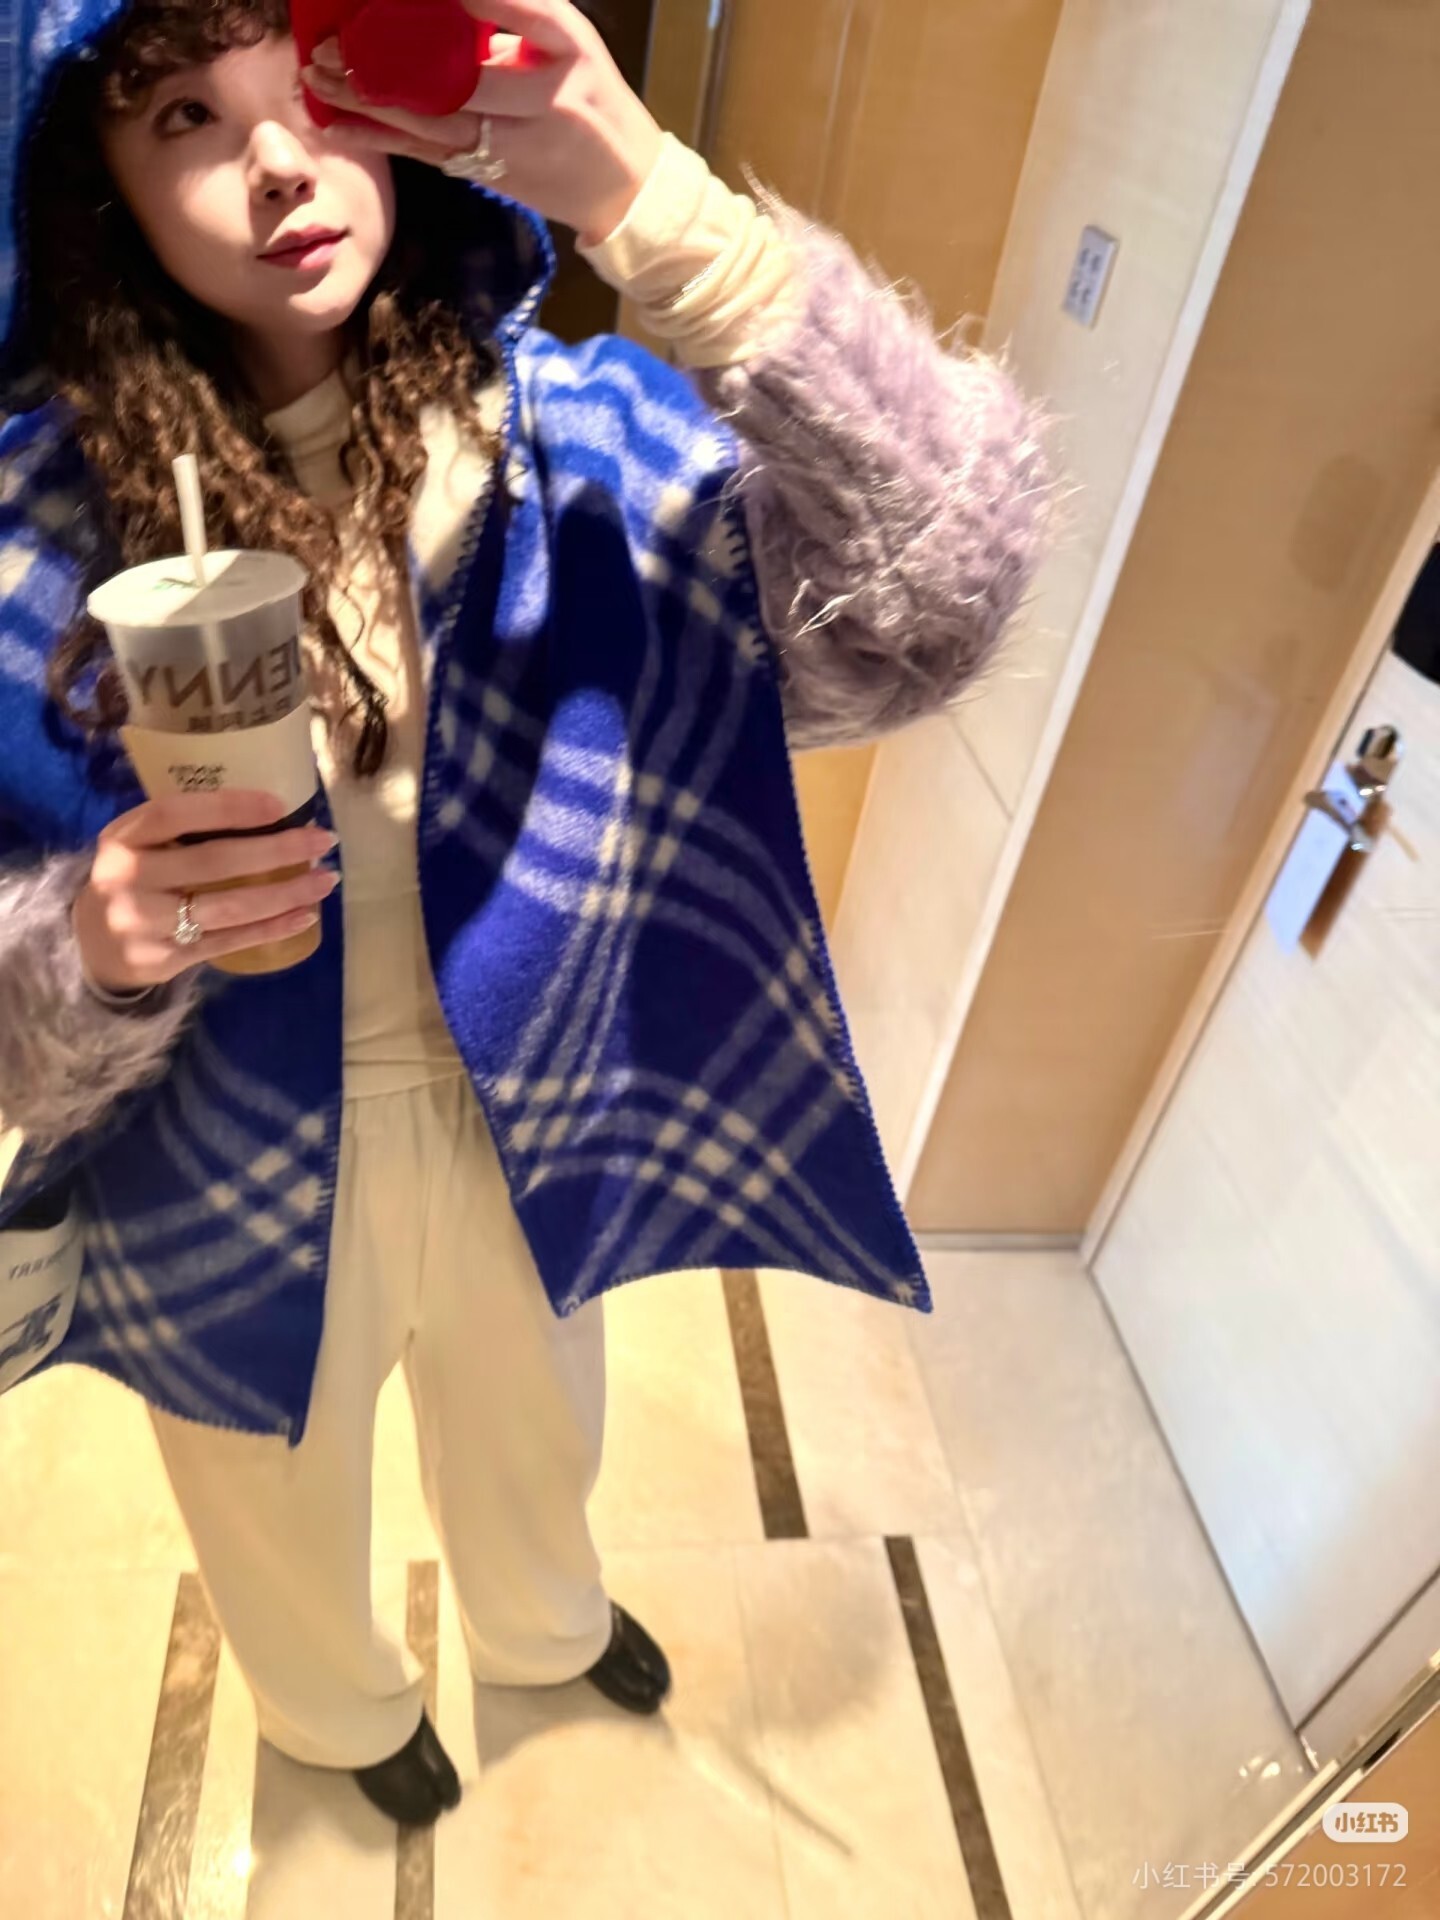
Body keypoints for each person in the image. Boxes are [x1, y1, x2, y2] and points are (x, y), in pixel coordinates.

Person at [0, 0, 1048, 1827]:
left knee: (538, 1420)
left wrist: (654, 198)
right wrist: (77, 950)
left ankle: (544, 1629)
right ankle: (336, 1715)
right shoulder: (37, 529)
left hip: (524, 1091)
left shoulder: (573, 444)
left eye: (310, 89)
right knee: (264, 1482)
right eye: (183, 116)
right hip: (213, 1136)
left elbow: (934, 602)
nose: (276, 164)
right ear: (99, 186)